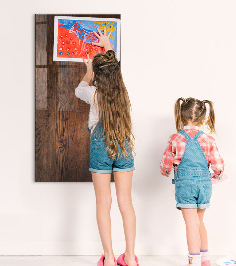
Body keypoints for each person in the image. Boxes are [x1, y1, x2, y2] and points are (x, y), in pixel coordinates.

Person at [75, 28, 138, 266]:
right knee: (126, 202)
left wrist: (89, 71)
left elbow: (78, 89)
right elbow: (115, 71)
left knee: (104, 203)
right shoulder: (123, 92)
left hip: (100, 147)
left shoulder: (93, 94)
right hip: (123, 145)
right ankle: (130, 257)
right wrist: (109, 46)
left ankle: (110, 258)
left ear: (98, 76)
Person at [160, 98, 225, 266]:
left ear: (181, 117)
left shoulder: (175, 138)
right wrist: (217, 176)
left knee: (191, 224)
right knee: (199, 222)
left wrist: (166, 171)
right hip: (204, 185)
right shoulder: (208, 139)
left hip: (185, 186)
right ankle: (205, 260)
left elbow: (165, 164)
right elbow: (218, 165)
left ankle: (194, 261)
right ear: (203, 120)